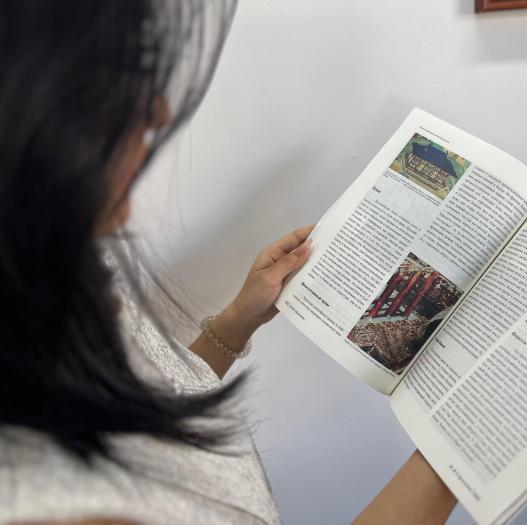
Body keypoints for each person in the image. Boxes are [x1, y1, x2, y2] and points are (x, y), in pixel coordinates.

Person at [0, 2, 457, 524]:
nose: (157, 112)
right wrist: (455, 447)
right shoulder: (53, 507)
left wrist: (238, 319)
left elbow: (160, 389)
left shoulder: (69, 262)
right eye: (105, 75)